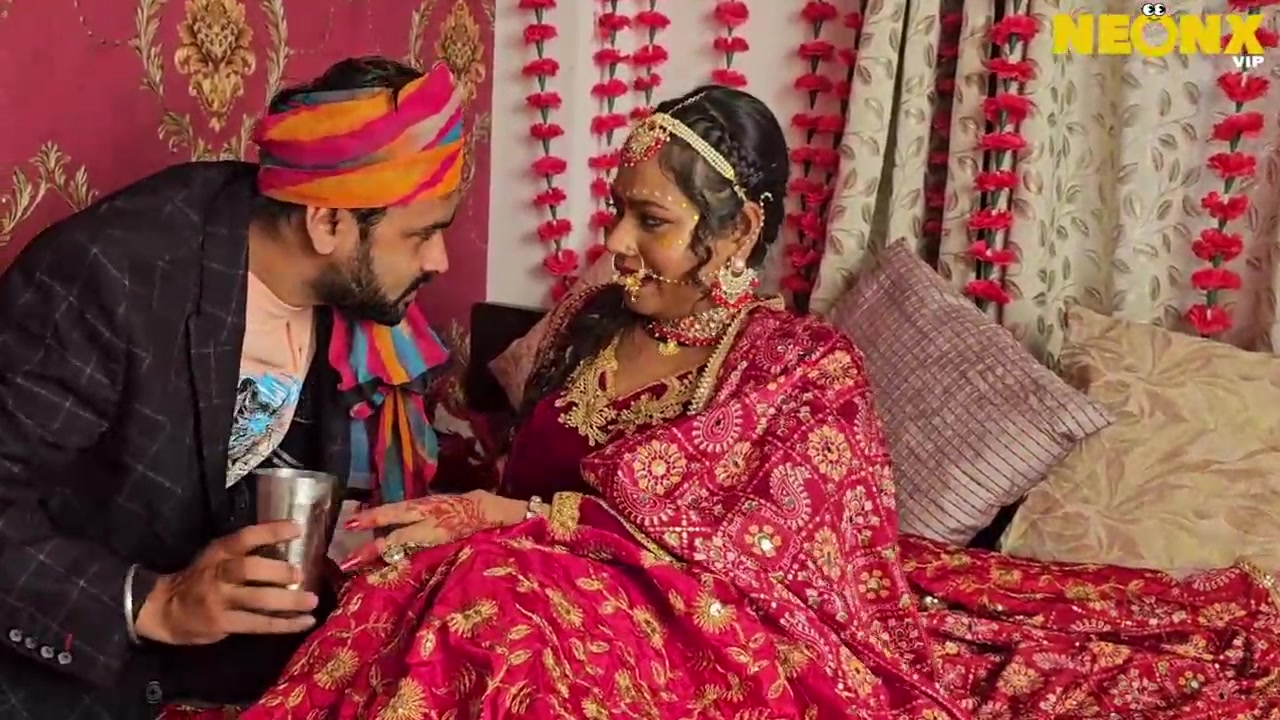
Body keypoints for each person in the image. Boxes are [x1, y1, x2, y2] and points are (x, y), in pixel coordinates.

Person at [200, 86, 1280, 718]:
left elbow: (780, 565)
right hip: (546, 587)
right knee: (432, 573)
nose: (619, 244)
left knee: (497, 585)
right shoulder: (589, 320)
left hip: (715, 638)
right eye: (617, 212)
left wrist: (525, 527)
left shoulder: (801, 370)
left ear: (739, 233)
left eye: (652, 224)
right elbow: (510, 462)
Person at [0, 56, 465, 718]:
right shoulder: (110, 277)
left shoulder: (350, 291)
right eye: (422, 233)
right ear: (327, 222)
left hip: (241, 672)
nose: (440, 260)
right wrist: (150, 603)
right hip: (78, 676)